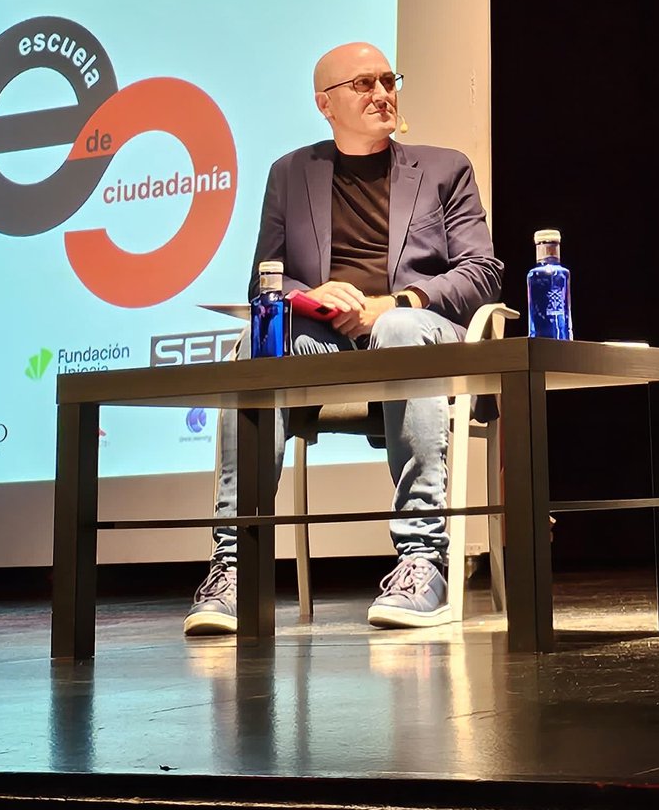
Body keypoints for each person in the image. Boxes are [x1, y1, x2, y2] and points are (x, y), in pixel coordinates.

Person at [184, 41, 503, 635]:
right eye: (364, 84)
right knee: (260, 342)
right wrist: (314, 295)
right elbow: (265, 282)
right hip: (326, 346)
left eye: (388, 80)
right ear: (324, 104)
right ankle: (234, 566)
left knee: (399, 327)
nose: (382, 93)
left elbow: (482, 272)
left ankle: (422, 561)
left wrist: (397, 302)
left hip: (419, 334)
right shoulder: (290, 173)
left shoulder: (443, 168)